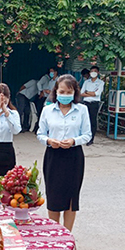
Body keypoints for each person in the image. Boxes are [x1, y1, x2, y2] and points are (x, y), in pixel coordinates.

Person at [37, 74, 91, 231]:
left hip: (73, 157)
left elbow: (87, 135)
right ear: (56, 91)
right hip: (53, 156)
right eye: (62, 92)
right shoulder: (47, 110)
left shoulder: (82, 110)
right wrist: (49, 141)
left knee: (71, 199)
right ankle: (55, 234)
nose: (65, 95)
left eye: (69, 92)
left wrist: (74, 141)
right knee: (53, 197)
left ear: (75, 93)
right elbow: (40, 134)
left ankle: (67, 235)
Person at [81, 66, 104, 145]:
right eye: (92, 71)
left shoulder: (100, 83)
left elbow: (97, 93)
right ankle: (84, 137)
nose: (93, 73)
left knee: (92, 121)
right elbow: (82, 93)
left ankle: (91, 139)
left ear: (98, 72)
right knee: (84, 120)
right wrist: (91, 93)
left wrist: (87, 92)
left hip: (94, 104)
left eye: (95, 71)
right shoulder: (86, 82)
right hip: (86, 103)